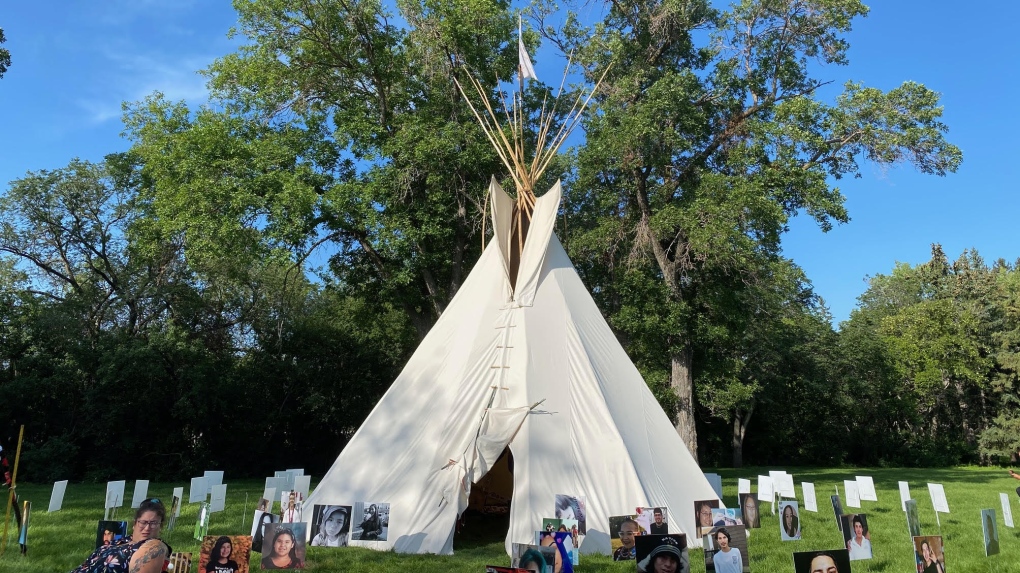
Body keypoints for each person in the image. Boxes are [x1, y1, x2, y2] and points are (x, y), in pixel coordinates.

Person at [70, 498, 171, 573]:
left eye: (153, 523)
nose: (147, 528)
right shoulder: (119, 541)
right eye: (143, 522)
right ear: (135, 523)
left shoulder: (153, 546)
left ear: (160, 526)